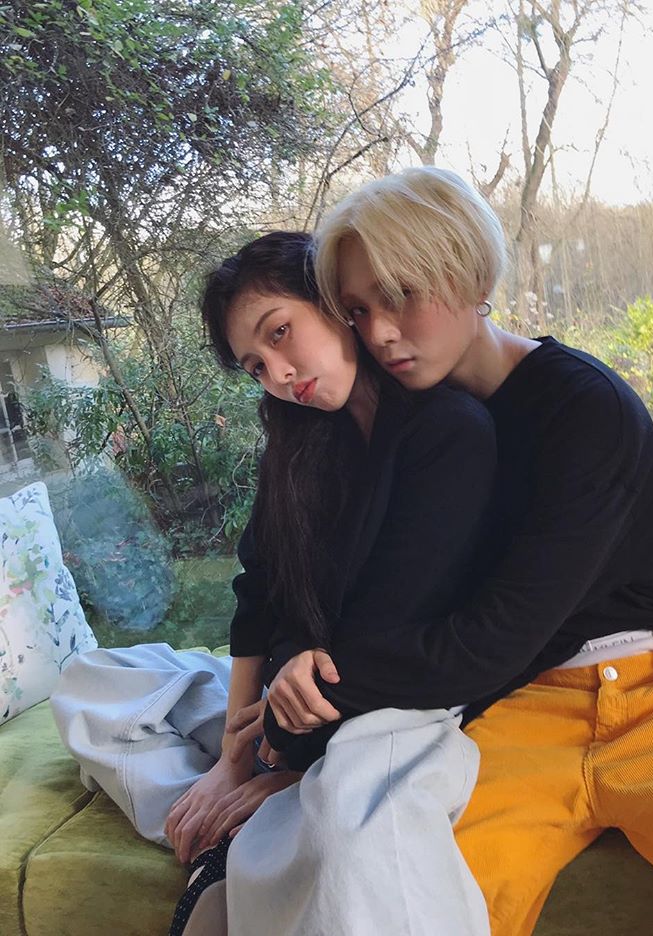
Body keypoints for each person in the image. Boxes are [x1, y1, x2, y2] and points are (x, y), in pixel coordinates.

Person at [229, 167, 653, 936]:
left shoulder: (586, 405)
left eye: (402, 294)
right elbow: (337, 583)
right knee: (390, 897)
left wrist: (300, 716)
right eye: (359, 309)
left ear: (472, 277)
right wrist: (293, 697)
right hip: (516, 712)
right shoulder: (404, 426)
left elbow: (493, 636)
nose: (379, 331)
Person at [51, 230, 499, 936]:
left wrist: (283, 758)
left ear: (335, 303)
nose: (280, 373)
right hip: (278, 709)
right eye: (256, 365)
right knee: (92, 678)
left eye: (281, 332)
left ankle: (259, 818)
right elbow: (257, 589)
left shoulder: (448, 432)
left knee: (348, 803)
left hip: (381, 710)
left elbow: (383, 641)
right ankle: (233, 807)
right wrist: (235, 758)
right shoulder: (299, 445)